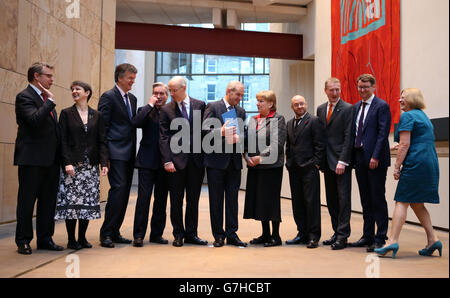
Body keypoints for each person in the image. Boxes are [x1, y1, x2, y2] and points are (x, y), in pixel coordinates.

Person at [375, 88, 442, 258]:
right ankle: (433, 239)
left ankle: (392, 241)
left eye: (403, 98)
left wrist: (397, 167)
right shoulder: (423, 116)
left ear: (412, 99)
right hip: (430, 163)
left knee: (401, 201)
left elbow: (405, 145)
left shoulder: (407, 116)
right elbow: (415, 141)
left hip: (416, 163)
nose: (399, 100)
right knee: (417, 203)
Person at [14, 62, 64, 255]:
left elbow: (54, 131)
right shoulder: (24, 97)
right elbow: (34, 121)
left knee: (48, 202)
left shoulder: (46, 98)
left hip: (51, 161)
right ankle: (23, 240)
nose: (52, 79)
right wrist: (49, 102)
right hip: (31, 160)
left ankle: (45, 239)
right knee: (27, 202)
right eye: (48, 76)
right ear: (37, 76)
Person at [56, 81, 109, 249]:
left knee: (87, 203)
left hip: (90, 166)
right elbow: (62, 141)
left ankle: (83, 238)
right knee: (72, 203)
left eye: (77, 89)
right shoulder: (66, 113)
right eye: (72, 89)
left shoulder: (97, 115)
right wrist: (67, 163)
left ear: (87, 92)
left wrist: (104, 163)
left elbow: (102, 141)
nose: (74, 91)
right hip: (73, 166)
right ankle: (72, 240)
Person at [159, 76, 207, 247]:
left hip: (196, 161)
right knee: (176, 200)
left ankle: (192, 234)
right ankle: (178, 234)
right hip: (175, 163)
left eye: (174, 90)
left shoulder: (200, 105)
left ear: (184, 87)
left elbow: (205, 132)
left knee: (193, 200)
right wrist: (167, 161)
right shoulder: (166, 110)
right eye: (169, 90)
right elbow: (164, 137)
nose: (171, 93)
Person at [203, 81, 247, 248]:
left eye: (242, 95)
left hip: (234, 162)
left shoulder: (241, 111)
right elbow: (204, 131)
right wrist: (220, 132)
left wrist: (241, 140)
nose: (240, 98)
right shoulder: (213, 107)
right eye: (238, 95)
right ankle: (218, 235)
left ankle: (232, 234)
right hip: (216, 162)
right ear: (229, 91)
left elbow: (243, 135)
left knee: (232, 200)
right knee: (216, 200)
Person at [98, 63, 138, 248]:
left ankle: (115, 231)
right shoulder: (108, 96)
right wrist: (103, 157)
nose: (132, 81)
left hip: (129, 153)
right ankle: (106, 233)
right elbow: (102, 128)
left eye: (134, 78)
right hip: (114, 152)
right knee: (118, 190)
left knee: (124, 193)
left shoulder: (133, 99)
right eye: (130, 77)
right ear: (120, 77)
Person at [351, 74, 391, 252]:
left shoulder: (381, 106)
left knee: (377, 198)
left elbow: (383, 134)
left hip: (375, 160)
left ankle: (380, 236)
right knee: (365, 199)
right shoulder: (356, 106)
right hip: (359, 158)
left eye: (366, 87)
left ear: (374, 87)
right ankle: (367, 236)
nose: (362, 90)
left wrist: (375, 156)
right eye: (360, 87)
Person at [244, 90, 286, 247]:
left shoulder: (278, 119)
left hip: (271, 167)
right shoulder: (253, 120)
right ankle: (265, 234)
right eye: (257, 101)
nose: (258, 103)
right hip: (255, 167)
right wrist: (247, 157)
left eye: (261, 101)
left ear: (271, 104)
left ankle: (276, 236)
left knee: (271, 201)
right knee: (259, 201)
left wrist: (260, 157)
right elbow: (246, 142)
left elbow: (278, 143)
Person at [316, 78, 355, 250]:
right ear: (325, 90)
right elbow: (320, 136)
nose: (334, 93)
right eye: (331, 90)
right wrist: (318, 160)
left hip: (341, 162)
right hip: (326, 162)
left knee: (343, 199)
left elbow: (349, 137)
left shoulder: (348, 109)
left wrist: (343, 160)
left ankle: (343, 236)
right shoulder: (321, 109)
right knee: (331, 200)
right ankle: (335, 232)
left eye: (337, 90)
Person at [132, 82, 169, 247]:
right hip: (146, 162)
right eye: (156, 93)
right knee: (143, 199)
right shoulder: (144, 110)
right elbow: (136, 123)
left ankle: (156, 234)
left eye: (162, 93)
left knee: (161, 201)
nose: (159, 96)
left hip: (165, 163)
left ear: (167, 96)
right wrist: (149, 105)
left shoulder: (171, 113)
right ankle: (138, 235)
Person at [285, 95, 324, 249]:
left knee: (311, 203)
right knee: (298, 203)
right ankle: (302, 233)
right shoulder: (289, 123)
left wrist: (315, 164)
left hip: (309, 169)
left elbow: (320, 145)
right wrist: (288, 163)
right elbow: (289, 146)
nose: (299, 106)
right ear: (292, 107)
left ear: (306, 104)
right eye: (296, 104)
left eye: (302, 103)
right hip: (294, 169)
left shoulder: (314, 121)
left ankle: (313, 236)